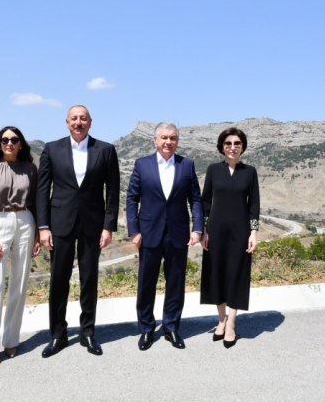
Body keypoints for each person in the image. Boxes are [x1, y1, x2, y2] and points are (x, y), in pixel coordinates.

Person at [37, 105, 120, 358]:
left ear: (90, 122)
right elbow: (42, 190)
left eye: (83, 118)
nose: (78, 122)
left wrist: (108, 226)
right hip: (59, 223)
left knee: (89, 280)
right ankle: (57, 335)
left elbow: (113, 191)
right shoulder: (52, 149)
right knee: (58, 280)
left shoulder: (105, 150)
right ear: (66, 122)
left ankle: (87, 333)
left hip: (93, 224)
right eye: (74, 118)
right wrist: (43, 226)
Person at [126, 121, 204, 351]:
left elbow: (196, 200)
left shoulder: (187, 165)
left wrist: (197, 228)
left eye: (173, 138)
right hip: (148, 233)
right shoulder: (142, 165)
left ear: (177, 140)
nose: (168, 142)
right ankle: (147, 329)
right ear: (155, 140)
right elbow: (132, 199)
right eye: (164, 137)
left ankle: (171, 327)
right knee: (146, 283)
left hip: (178, 233)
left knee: (176, 283)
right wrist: (134, 230)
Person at [0, 126, 41, 366]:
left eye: (14, 139)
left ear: (21, 143)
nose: (9, 143)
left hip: (26, 221)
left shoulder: (30, 169)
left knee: (19, 284)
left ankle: (11, 339)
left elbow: (35, 202)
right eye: (5, 139)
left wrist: (36, 237)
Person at [201, 127, 260, 348]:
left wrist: (253, 232)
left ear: (242, 146)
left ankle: (232, 323)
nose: (232, 147)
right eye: (228, 143)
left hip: (241, 232)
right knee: (217, 274)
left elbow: (254, 205)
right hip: (216, 231)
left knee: (237, 275)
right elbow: (205, 202)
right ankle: (221, 320)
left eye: (237, 143)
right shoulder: (213, 170)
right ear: (222, 146)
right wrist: (204, 229)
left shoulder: (250, 172)